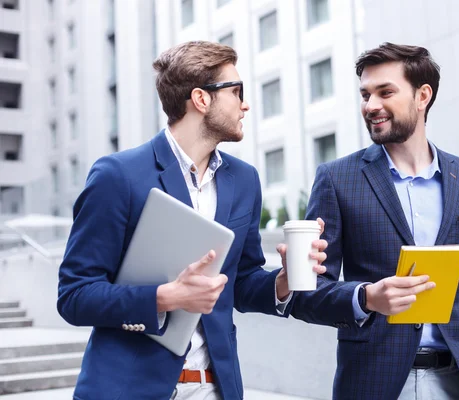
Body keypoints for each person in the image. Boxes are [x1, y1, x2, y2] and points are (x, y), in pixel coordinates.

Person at [57, 41, 327, 400]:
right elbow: (75, 296)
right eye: (236, 92)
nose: (245, 104)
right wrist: (163, 297)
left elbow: (241, 284)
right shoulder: (118, 176)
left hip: (215, 388)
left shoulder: (244, 180)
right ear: (201, 99)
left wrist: (283, 281)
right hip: (129, 388)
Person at [289, 43, 459, 400]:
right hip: (372, 384)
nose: (371, 106)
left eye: (386, 92)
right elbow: (305, 294)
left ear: (422, 96)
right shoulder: (337, 179)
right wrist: (365, 297)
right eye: (365, 95)